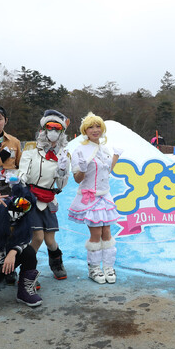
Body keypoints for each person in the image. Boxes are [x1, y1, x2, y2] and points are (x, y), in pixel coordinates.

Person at [17, 109, 71, 282]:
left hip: (48, 198)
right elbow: (22, 172)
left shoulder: (64, 155)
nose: (53, 131)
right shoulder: (31, 151)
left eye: (57, 128)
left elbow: (61, 186)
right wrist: (19, 180)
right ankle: (27, 271)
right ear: (44, 129)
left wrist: (62, 171)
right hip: (31, 198)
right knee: (37, 237)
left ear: (62, 132)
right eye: (50, 127)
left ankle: (57, 263)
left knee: (50, 240)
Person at [69, 112, 122, 284]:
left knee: (107, 232)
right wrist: (82, 169)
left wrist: (115, 157)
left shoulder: (104, 149)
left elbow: (106, 171)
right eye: (90, 127)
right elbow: (77, 179)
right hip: (90, 197)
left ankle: (108, 267)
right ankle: (94, 268)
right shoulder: (79, 150)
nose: (95, 130)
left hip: (105, 195)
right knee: (96, 233)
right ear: (85, 130)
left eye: (98, 126)